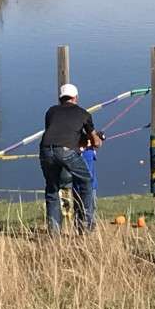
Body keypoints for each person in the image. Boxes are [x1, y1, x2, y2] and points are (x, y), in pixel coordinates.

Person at [40, 83, 102, 234]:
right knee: (86, 181)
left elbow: (59, 131)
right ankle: (85, 227)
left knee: (52, 188)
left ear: (60, 98)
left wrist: (79, 139)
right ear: (76, 98)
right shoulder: (84, 114)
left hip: (45, 150)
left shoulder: (51, 112)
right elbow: (95, 142)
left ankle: (54, 233)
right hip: (66, 151)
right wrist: (96, 140)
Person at [72, 131, 104, 232]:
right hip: (84, 186)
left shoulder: (78, 152)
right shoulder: (88, 152)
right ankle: (84, 227)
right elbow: (98, 144)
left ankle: (85, 227)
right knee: (85, 207)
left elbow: (99, 143)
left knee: (86, 207)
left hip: (80, 186)